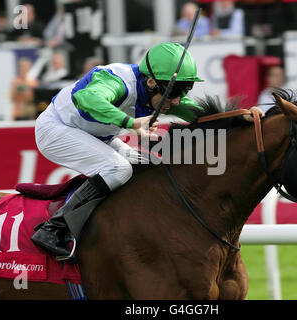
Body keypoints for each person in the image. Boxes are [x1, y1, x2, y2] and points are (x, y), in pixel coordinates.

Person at [30, 41, 264, 259]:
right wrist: (130, 123)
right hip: (56, 130)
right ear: (151, 82)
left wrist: (237, 117)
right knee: (118, 169)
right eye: (173, 94)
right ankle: (53, 228)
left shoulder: (156, 89)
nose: (176, 101)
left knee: (150, 167)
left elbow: (198, 114)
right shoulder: (117, 80)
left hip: (94, 134)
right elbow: (87, 98)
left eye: (183, 92)